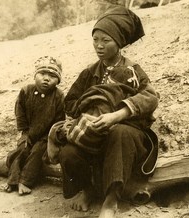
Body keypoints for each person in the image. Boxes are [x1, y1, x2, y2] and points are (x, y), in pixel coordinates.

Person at [57, 5, 159, 218]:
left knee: (118, 132)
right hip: (93, 134)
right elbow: (71, 101)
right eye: (96, 40)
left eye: (106, 40)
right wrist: (90, 111)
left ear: (119, 42)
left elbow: (150, 97)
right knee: (68, 152)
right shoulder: (90, 72)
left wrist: (116, 115)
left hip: (126, 136)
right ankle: (87, 190)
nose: (99, 46)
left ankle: (111, 200)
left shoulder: (133, 71)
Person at [3, 56, 65, 195]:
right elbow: (20, 112)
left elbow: (59, 120)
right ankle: (12, 180)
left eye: (52, 76)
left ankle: (25, 181)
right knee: (21, 150)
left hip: (46, 136)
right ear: (35, 75)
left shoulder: (58, 96)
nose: (46, 79)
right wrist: (24, 132)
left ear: (58, 81)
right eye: (42, 74)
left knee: (37, 152)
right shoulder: (26, 91)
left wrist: (52, 137)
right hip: (28, 132)